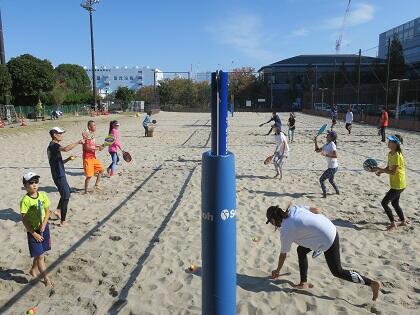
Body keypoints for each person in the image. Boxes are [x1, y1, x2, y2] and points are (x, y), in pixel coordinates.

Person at [266, 204, 380, 301]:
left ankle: (371, 283)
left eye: (271, 223)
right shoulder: (294, 208)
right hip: (330, 226)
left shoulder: (286, 229)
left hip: (328, 238)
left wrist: (277, 270)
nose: (273, 225)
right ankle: (303, 282)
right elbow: (316, 210)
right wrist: (317, 226)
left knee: (337, 271)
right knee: (301, 250)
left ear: (273, 220)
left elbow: (283, 255)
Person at [20, 172, 53, 288]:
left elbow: (48, 210)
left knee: (40, 254)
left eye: (36, 182)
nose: (34, 185)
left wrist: (44, 224)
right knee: (40, 256)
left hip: (44, 228)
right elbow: (24, 220)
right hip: (33, 231)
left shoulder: (43, 195)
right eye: (31, 183)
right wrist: (33, 233)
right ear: (25, 186)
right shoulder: (25, 201)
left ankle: (32, 270)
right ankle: (46, 279)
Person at [47, 127, 84, 226]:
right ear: (55, 135)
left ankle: (58, 210)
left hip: (59, 173)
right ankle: (63, 221)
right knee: (66, 195)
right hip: (59, 175)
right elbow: (66, 149)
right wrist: (78, 142)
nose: (62, 135)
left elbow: (57, 162)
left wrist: (68, 159)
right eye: (60, 133)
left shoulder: (51, 146)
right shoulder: (54, 146)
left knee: (66, 192)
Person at [373, 135, 408, 231]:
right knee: (395, 203)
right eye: (389, 140)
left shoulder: (397, 155)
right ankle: (403, 221)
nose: (389, 142)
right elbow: (389, 168)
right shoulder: (390, 154)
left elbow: (393, 172)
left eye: (391, 141)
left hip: (399, 184)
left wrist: (380, 169)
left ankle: (393, 224)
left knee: (384, 202)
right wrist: (380, 171)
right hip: (396, 184)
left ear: (396, 144)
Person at [314, 130, 339, 198]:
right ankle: (337, 191)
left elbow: (335, 155)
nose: (327, 135)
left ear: (331, 137)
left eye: (329, 134)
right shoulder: (326, 144)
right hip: (334, 167)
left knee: (321, 180)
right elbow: (317, 150)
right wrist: (315, 141)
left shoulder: (332, 144)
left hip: (333, 168)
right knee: (331, 180)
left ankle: (324, 194)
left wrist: (326, 155)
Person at [82, 120, 104, 194]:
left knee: (101, 170)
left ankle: (96, 185)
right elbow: (87, 148)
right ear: (89, 127)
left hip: (93, 157)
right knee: (89, 176)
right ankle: (85, 191)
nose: (95, 126)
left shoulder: (92, 134)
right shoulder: (87, 135)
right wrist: (98, 148)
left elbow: (92, 144)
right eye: (93, 125)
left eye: (95, 125)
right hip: (87, 158)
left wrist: (99, 145)